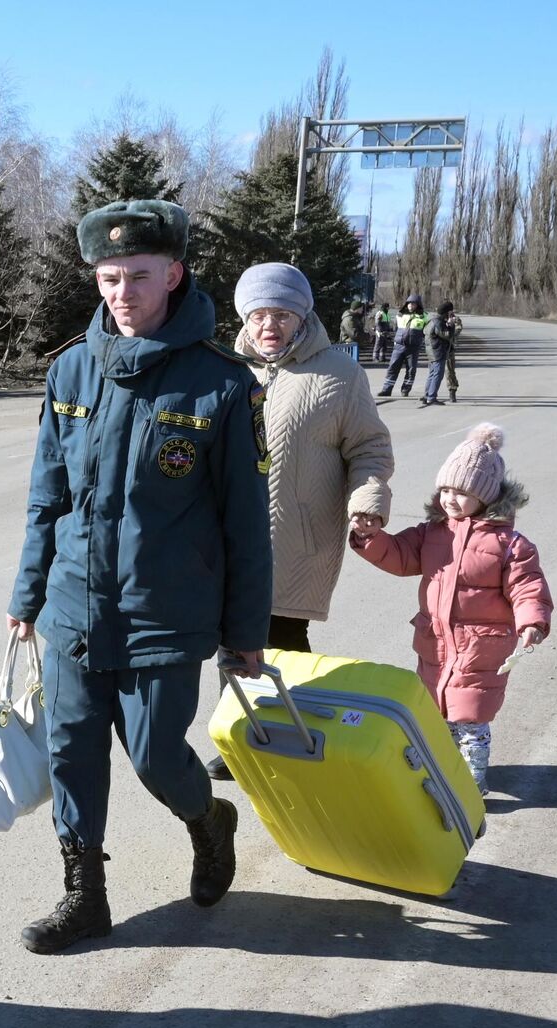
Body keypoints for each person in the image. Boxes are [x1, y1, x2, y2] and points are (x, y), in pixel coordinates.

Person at [5, 199, 271, 954]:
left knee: (157, 757)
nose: (122, 293)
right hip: (73, 611)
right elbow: (45, 497)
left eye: (139, 277)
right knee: (71, 753)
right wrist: (27, 596)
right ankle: (84, 896)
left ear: (175, 275)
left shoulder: (222, 385)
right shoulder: (70, 370)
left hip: (165, 612)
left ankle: (206, 819)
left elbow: (247, 525)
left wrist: (245, 635)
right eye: (109, 278)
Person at [203, 264, 394, 782]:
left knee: (282, 638)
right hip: (224, 536)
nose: (270, 326)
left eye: (282, 314)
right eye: (260, 314)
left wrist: (368, 501)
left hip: (297, 538)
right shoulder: (223, 368)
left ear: (302, 316)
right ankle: (240, 735)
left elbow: (370, 448)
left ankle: (294, 729)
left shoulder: (338, 372)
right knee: (230, 636)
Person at [349, 423, 553, 793]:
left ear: (485, 496)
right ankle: (440, 773)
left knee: (471, 719)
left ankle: (471, 787)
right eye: (445, 490)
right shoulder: (432, 533)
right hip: (435, 643)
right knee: (436, 715)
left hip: (481, 648)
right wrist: (370, 538)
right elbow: (398, 556)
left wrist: (531, 621)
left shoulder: (509, 545)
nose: (449, 499)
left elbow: (528, 587)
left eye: (461, 492)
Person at [378, 295, 429, 397]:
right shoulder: (400, 315)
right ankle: (387, 389)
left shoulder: (424, 316)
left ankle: (405, 389)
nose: (410, 305)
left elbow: (427, 331)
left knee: (411, 369)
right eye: (409, 303)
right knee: (392, 367)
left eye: (413, 303)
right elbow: (395, 329)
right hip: (399, 346)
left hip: (413, 347)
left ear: (417, 304)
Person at [421, 301, 460, 405]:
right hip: (437, 352)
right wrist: (451, 325)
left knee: (432, 374)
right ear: (446, 312)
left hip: (432, 351)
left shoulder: (431, 320)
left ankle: (427, 395)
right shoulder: (438, 322)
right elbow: (447, 335)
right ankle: (432, 397)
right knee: (437, 375)